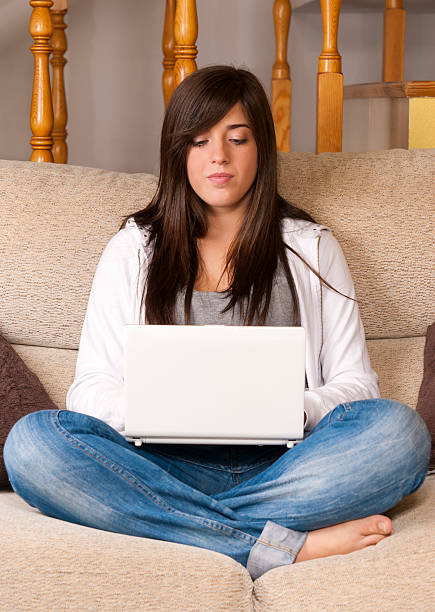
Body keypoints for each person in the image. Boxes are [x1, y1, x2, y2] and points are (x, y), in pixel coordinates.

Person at [4, 65, 431, 580]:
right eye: (200, 140)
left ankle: (179, 527)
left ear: (261, 149)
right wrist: (160, 408)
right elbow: (89, 389)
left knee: (399, 433)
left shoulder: (310, 246)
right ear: (177, 151)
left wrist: (291, 408)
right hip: (158, 468)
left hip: (288, 469)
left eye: (237, 138)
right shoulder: (133, 250)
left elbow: (358, 387)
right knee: (32, 443)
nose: (219, 157)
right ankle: (273, 545)